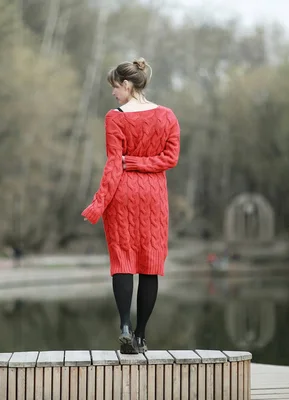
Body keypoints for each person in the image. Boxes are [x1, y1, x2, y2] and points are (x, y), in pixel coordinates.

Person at [82, 57, 180, 354]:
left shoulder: (115, 117)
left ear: (127, 85)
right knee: (150, 265)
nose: (113, 94)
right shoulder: (167, 116)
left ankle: (124, 325)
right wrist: (145, 163)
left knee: (123, 262)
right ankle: (140, 336)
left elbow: (114, 165)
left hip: (122, 196)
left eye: (115, 87)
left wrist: (98, 203)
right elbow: (170, 159)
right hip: (153, 198)